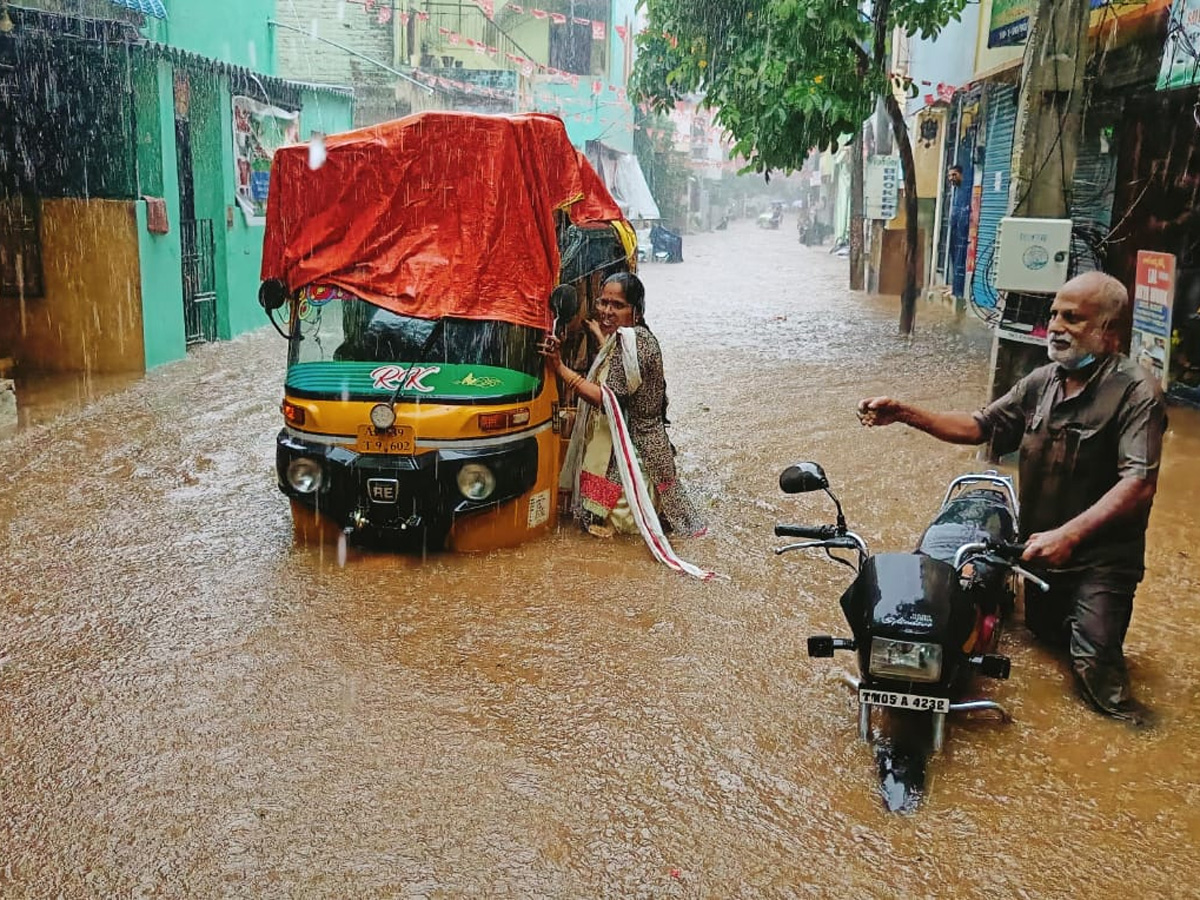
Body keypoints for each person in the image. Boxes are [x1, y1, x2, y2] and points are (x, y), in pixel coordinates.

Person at [858, 271, 1166, 726]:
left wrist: (1070, 535)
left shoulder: (1138, 392)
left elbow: (1138, 483)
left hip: (1101, 558)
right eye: (1054, 314)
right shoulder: (1042, 381)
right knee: (1039, 639)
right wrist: (904, 412)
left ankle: (1140, 734)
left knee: (1095, 668)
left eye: (1073, 317)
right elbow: (979, 426)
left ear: (1110, 331)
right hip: (1037, 552)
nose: (1056, 325)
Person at [540, 272, 706, 541]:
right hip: (622, 443)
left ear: (636, 312)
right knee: (601, 526)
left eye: (618, 305)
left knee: (623, 533)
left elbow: (609, 400)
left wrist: (559, 368)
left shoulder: (636, 342)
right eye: (603, 302)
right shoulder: (624, 338)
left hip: (635, 450)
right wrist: (599, 336)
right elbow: (624, 372)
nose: (607, 311)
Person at [946, 164, 971, 299]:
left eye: (954, 175)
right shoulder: (955, 191)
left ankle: (959, 291)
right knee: (954, 259)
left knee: (960, 261)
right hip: (955, 232)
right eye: (949, 175)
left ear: (961, 175)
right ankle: (955, 288)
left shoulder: (967, 190)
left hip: (964, 234)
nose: (951, 178)